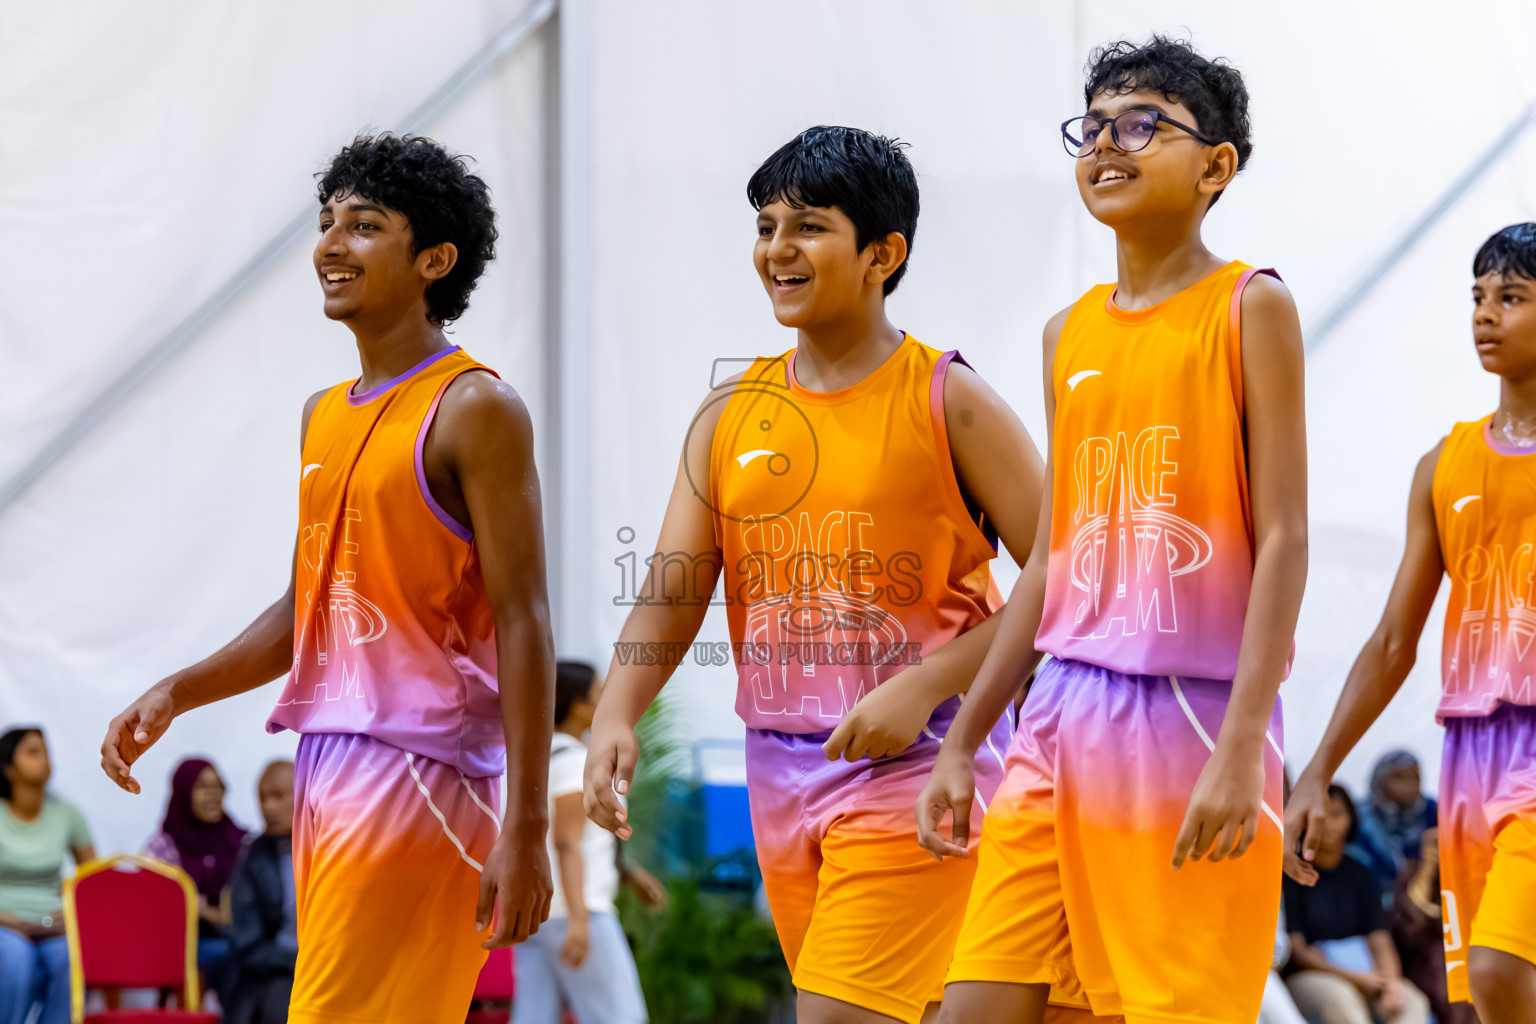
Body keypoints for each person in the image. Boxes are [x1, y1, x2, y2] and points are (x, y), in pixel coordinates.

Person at [584, 125, 1045, 1024]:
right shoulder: (729, 412)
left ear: (884, 253)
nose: (777, 250)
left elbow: (1064, 576)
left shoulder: (949, 397)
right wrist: (614, 711)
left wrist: (926, 686)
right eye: (765, 226)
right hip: (780, 774)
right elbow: (676, 585)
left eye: (808, 226)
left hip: (921, 763)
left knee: (835, 1015)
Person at [99, 132, 556, 1024]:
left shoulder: (476, 408)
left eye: (364, 225)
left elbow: (527, 621)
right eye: (325, 222)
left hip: (420, 771)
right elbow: (310, 607)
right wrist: (178, 691)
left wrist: (530, 827)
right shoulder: (323, 416)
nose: (331, 244)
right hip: (327, 762)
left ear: (434, 260)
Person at [916, 36, 1307, 1024]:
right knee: (976, 1007)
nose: (1107, 144)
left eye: (1143, 124)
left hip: (1188, 716)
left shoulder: (1249, 305)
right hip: (1058, 718)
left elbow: (1287, 540)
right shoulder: (1069, 331)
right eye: (1092, 127)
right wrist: (967, 739)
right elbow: (1052, 556)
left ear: (1216, 165)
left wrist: (1243, 740)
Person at [1285, 222, 1536, 1024]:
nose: (1485, 315)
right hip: (1469, 757)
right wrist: (1321, 766)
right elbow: (1395, 639)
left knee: (1501, 970)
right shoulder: (1444, 464)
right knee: (1486, 998)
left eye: (1512, 297)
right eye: (1478, 297)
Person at [515, 661, 659, 1024]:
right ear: (578, 704)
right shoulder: (576, 763)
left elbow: (569, 840)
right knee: (620, 1018)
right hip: (580, 912)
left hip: (538, 916)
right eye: (598, 692)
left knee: (533, 1018)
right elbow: (567, 843)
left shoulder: (536, 762)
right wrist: (580, 918)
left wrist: (630, 874)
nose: (603, 699)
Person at [1282, 785, 1431, 1024]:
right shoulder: (1291, 877)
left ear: (1351, 819)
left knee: (1411, 1002)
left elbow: (1379, 937)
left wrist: (1390, 983)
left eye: (1337, 814)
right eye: (1319, 815)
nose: (1327, 824)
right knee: (1343, 1004)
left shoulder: (1361, 874)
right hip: (1315, 975)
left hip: (1367, 974)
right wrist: (1356, 979)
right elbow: (1298, 950)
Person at [0, 727, 95, 1024]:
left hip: (51, 925)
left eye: (45, 750)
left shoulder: (67, 813)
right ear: (8, 768)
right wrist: (9, 920)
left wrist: (70, 915)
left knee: (69, 957)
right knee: (17, 958)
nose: (45, 760)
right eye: (32, 752)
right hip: (4, 924)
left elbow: (91, 878)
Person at [143, 757, 245, 1009]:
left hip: (236, 936)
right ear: (183, 792)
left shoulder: (239, 841)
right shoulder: (162, 847)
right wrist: (206, 911)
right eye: (202, 787)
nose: (212, 795)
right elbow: (153, 905)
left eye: (218, 787)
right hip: (183, 943)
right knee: (232, 958)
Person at [227, 760, 298, 1024]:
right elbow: (249, 945)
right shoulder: (253, 858)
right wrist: (297, 960)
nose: (268, 807)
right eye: (263, 798)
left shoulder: (335, 848)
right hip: (280, 970)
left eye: (278, 796)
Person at [1351, 751, 1438, 897]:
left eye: (1414, 776)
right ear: (1380, 781)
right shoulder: (1359, 817)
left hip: (1427, 900)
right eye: (1399, 777)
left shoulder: (1435, 812)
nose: (1409, 784)